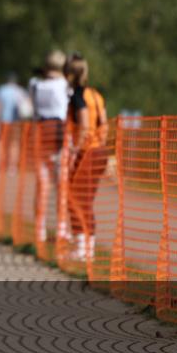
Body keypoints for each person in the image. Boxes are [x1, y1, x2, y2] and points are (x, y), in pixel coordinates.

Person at [63, 53, 108, 261]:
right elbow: (104, 125)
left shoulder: (78, 96)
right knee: (85, 199)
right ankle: (87, 247)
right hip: (100, 151)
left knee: (76, 198)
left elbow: (85, 126)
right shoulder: (96, 95)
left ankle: (82, 246)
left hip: (87, 151)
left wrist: (75, 152)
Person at [29, 50, 70, 243]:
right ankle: (61, 228)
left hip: (39, 134)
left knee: (42, 185)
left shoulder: (35, 85)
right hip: (60, 134)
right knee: (61, 184)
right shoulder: (65, 86)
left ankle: (40, 229)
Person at [0, 71, 32, 168]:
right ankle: (12, 166)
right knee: (14, 143)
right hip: (17, 121)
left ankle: (1, 163)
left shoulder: (1, 90)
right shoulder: (21, 91)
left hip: (3, 121)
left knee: (1, 141)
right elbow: (27, 107)